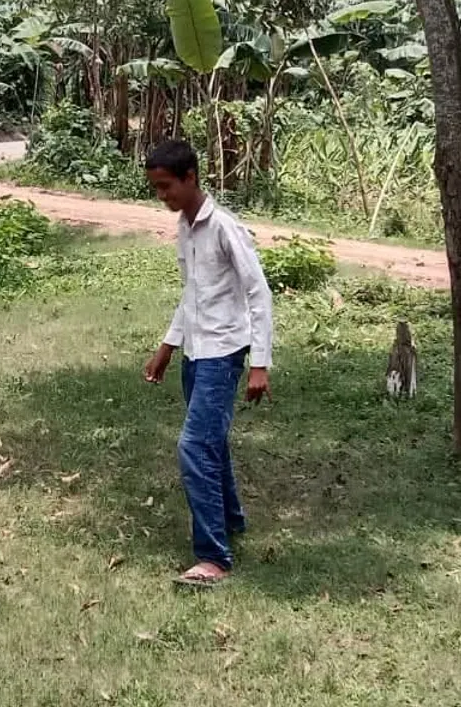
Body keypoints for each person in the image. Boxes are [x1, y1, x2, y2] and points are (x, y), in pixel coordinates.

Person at [141, 139, 274, 587]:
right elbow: (192, 295)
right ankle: (232, 521)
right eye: (156, 189)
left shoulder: (224, 228)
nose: (163, 196)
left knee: (194, 447)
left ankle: (213, 558)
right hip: (196, 353)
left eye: (167, 187)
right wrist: (168, 346)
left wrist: (260, 362)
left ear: (191, 177)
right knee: (211, 443)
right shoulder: (185, 226)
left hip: (223, 354)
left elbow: (259, 293)